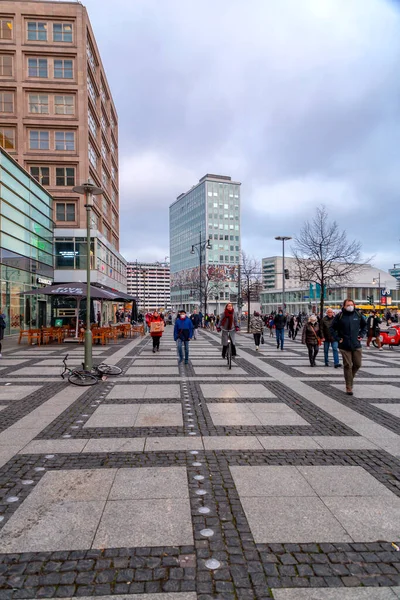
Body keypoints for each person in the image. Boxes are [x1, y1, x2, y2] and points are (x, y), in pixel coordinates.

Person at [330, 298, 367, 395]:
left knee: (358, 364)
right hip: (344, 344)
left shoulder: (358, 315)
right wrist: (338, 338)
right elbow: (332, 328)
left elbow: (364, 326)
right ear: (344, 306)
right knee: (347, 365)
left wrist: (362, 335)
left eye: (352, 305)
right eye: (348, 305)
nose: (350, 306)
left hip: (356, 344)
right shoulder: (340, 316)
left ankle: (350, 379)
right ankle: (349, 386)